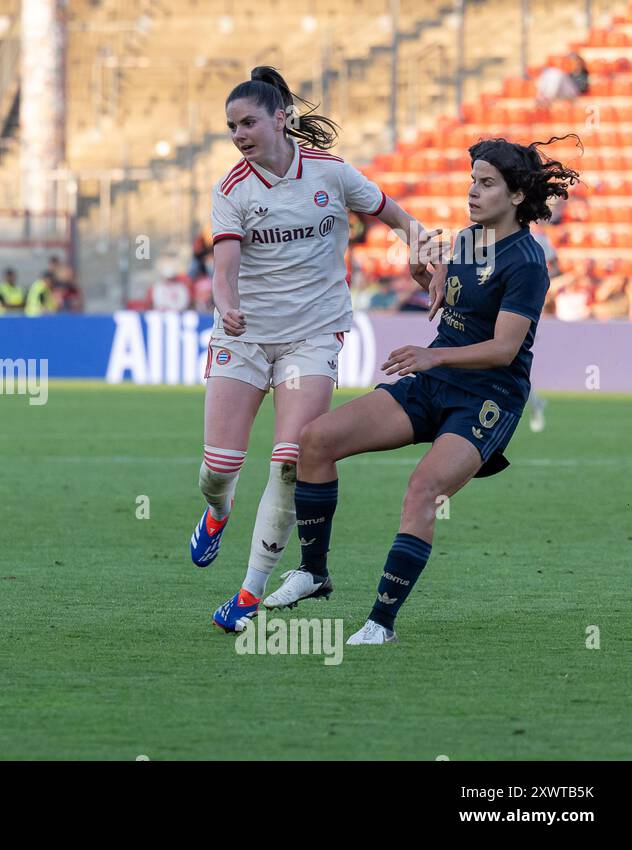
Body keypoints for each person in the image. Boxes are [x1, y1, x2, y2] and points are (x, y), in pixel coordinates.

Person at [269, 136, 578, 644]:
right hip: (435, 381)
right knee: (316, 440)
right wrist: (428, 276)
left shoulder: (526, 261)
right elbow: (452, 294)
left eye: (486, 184)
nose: (472, 192)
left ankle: (380, 623)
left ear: (517, 195)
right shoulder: (469, 238)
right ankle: (313, 572)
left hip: (487, 398)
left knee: (423, 489)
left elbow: (503, 348)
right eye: (471, 181)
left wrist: (432, 354)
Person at [190, 65, 446, 633]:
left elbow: (396, 216)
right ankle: (215, 512)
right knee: (219, 468)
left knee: (289, 462)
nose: (239, 135)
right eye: (231, 126)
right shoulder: (232, 190)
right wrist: (227, 304)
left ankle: (248, 595)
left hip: (313, 336)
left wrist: (423, 249)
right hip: (245, 337)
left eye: (248, 122)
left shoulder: (332, 173)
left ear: (281, 118)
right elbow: (224, 267)